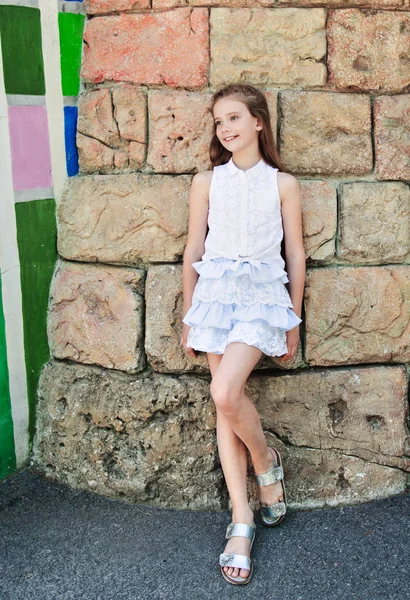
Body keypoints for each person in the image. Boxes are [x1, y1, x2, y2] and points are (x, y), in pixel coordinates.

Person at [180, 83, 306, 586]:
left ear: (258, 122)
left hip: (261, 298)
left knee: (225, 391)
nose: (226, 129)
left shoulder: (283, 184)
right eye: (218, 122)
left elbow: (295, 254)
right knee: (224, 407)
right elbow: (193, 248)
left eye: (234, 118)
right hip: (214, 296)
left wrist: (293, 317)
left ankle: (265, 463)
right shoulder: (206, 182)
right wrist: (191, 313)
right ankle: (241, 519)